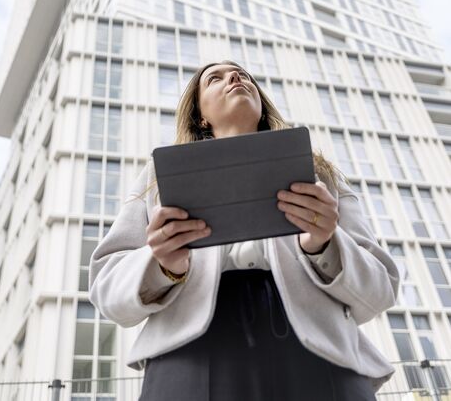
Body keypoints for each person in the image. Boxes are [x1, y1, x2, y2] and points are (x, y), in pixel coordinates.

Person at [89, 60, 400, 400]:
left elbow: (380, 290)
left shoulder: (319, 174)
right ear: (200, 115)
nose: (235, 77)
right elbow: (107, 289)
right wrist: (162, 265)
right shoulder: (158, 180)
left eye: (242, 74)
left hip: (320, 346)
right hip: (189, 350)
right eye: (214, 79)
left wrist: (325, 245)